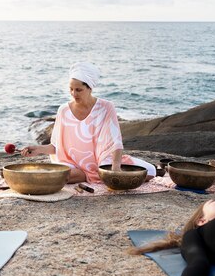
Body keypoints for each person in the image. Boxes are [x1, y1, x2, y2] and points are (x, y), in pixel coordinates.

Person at [21, 62, 156, 184]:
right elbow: (56, 147)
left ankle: (92, 175)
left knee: (151, 171)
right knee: (62, 175)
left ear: (90, 88)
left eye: (78, 90)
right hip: (71, 165)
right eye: (71, 89)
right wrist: (37, 149)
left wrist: (115, 167)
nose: (74, 93)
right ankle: (82, 176)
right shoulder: (63, 110)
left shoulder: (106, 108)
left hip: (100, 163)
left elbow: (115, 141)